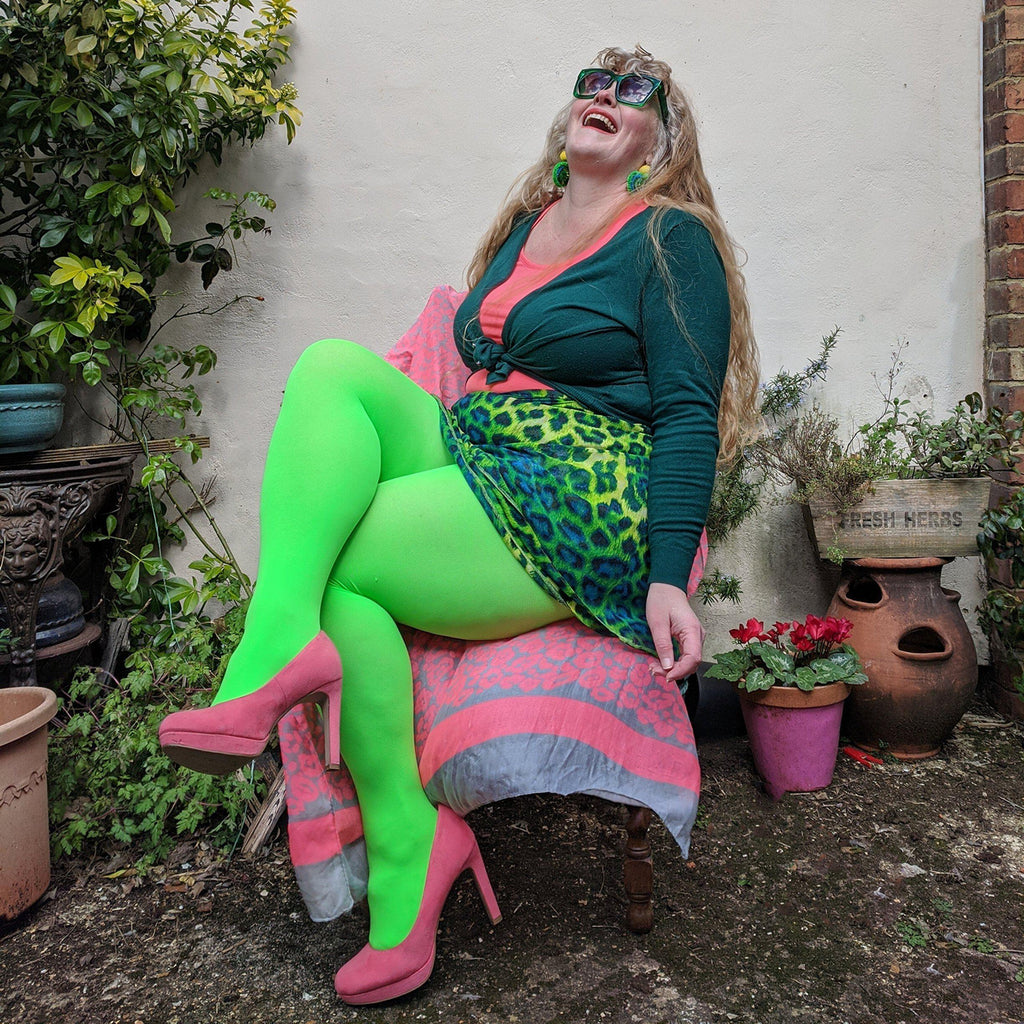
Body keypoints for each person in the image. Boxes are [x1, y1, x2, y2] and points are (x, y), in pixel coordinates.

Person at [159, 44, 759, 1005]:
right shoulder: (526, 227)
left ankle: (395, 826)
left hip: (577, 488)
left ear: (659, 142)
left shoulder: (669, 238)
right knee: (328, 367)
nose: (605, 95)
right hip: (481, 448)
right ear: (569, 119)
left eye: (634, 91)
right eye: (593, 83)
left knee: (340, 562)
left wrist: (667, 571)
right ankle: (309, 685)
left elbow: (688, 411)